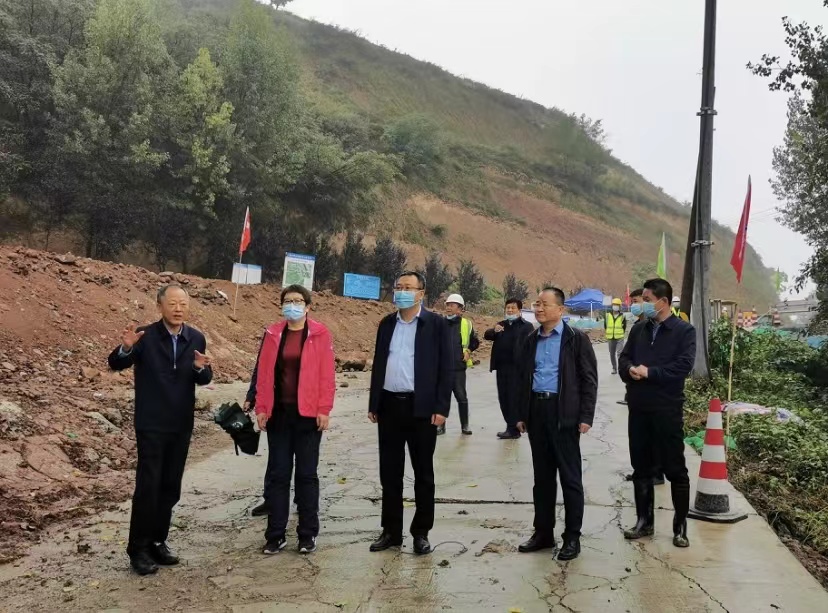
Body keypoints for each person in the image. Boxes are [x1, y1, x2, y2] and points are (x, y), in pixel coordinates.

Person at [108, 284, 213, 575]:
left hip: (181, 423)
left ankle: (157, 541)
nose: (178, 309)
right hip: (151, 423)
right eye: (172, 303)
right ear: (159, 306)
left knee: (170, 486)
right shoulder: (145, 335)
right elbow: (116, 363)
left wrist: (200, 368)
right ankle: (138, 549)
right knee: (148, 486)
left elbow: (204, 377)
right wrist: (126, 348)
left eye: (183, 304)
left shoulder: (196, 337)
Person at [368, 271, 452, 555]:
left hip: (422, 409)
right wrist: (374, 403)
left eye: (408, 287)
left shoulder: (436, 325)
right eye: (398, 287)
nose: (401, 292)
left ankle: (421, 532)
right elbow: (379, 364)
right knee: (389, 473)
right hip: (389, 406)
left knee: (423, 473)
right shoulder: (386, 324)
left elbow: (446, 368)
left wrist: (441, 407)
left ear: (421, 294)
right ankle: (391, 531)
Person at [247, 285, 335, 555]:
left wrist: (324, 409)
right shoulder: (273, 334)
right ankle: (275, 535)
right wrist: (261, 407)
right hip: (279, 416)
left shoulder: (319, 334)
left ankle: (307, 534)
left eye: (298, 301)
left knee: (307, 475)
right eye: (288, 301)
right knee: (279, 475)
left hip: (308, 416)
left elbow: (327, 375)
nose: (292, 305)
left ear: (308, 306)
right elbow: (264, 374)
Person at [514, 287, 598, 561]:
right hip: (537, 412)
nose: (538, 308)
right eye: (536, 304)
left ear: (560, 310)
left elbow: (589, 380)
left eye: (545, 304)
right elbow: (523, 377)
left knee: (570, 478)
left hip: (564, 414)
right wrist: (521, 413)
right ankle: (543, 532)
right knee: (542, 478)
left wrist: (585, 416)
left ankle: (572, 537)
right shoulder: (530, 339)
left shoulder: (576, 339)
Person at [619, 278, 695, 548]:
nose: (643, 305)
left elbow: (683, 366)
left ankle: (680, 527)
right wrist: (629, 370)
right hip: (639, 408)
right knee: (641, 468)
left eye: (648, 300)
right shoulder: (639, 329)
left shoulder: (683, 331)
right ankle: (644, 521)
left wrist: (650, 373)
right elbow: (624, 357)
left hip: (667, 409)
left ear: (663, 302)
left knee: (675, 469)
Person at [484, 298, 534, 439]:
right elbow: (487, 335)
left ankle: (514, 428)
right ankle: (510, 426)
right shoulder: (501, 324)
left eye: (513, 308)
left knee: (514, 398)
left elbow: (530, 346)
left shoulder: (526, 326)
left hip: (517, 369)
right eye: (508, 308)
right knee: (503, 398)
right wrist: (494, 330)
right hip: (502, 367)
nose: (510, 310)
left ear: (519, 310)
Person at [440, 293, 479, 435]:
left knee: (461, 397)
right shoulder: (440, 323)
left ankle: (465, 426)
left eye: (452, 305)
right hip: (442, 368)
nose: (448, 307)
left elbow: (475, 342)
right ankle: (440, 426)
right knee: (442, 398)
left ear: (460, 309)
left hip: (458, 368)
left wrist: (468, 350)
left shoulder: (466, 324)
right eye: (447, 305)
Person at [605, 298, 627, 375]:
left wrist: (619, 333)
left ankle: (620, 368)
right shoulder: (608, 315)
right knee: (612, 354)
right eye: (614, 304)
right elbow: (605, 326)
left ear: (619, 306)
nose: (615, 306)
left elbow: (624, 327)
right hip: (610, 337)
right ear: (612, 306)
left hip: (619, 337)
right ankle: (614, 368)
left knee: (619, 354)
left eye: (617, 305)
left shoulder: (622, 316)